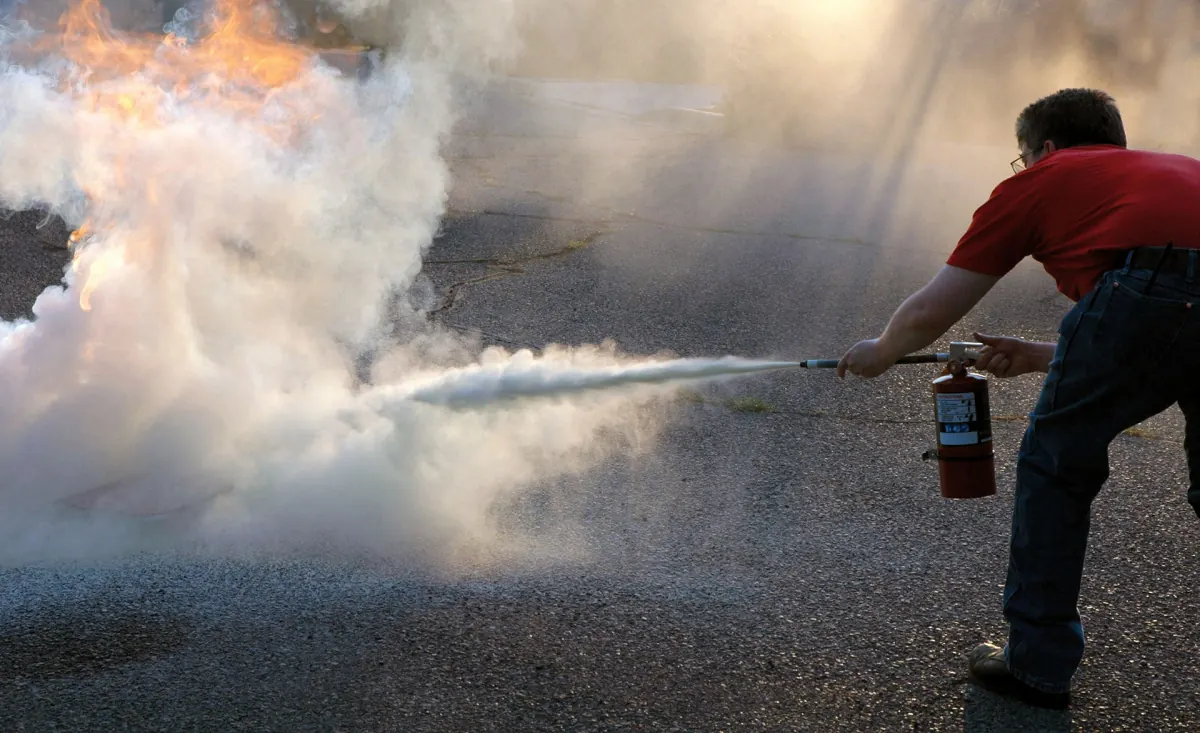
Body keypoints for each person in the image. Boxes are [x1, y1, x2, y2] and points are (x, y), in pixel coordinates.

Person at [836, 87, 1200, 709]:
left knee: (1055, 466)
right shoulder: (1175, 171)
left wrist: (883, 349)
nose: (1024, 166)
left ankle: (1037, 665)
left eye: (1023, 156)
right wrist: (1040, 355)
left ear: (1044, 148)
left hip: (1143, 298)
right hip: (1153, 303)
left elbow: (933, 309)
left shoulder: (1042, 179)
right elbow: (1171, 331)